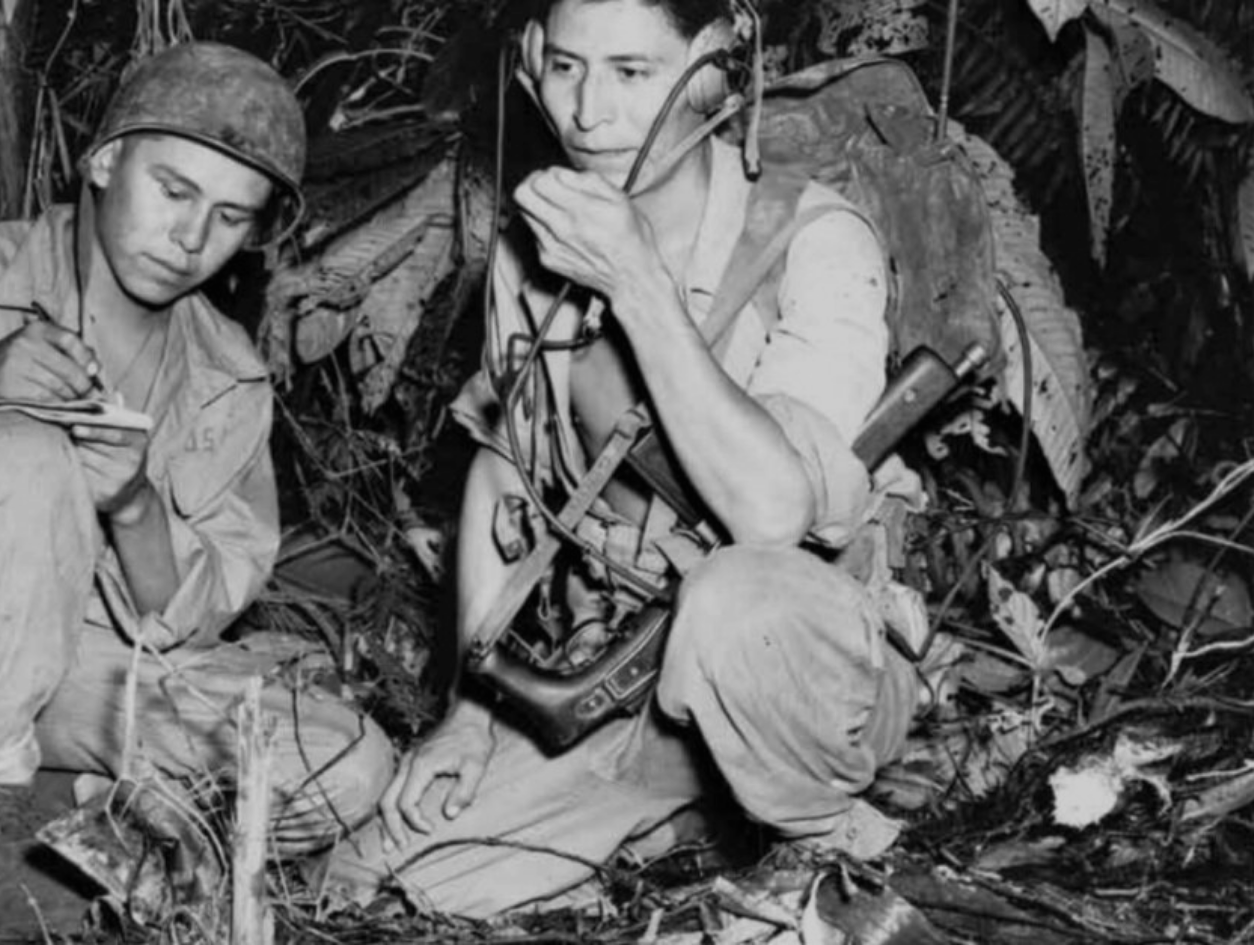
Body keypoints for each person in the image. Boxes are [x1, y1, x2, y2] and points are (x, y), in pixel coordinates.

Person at [0, 42, 392, 935]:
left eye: (228, 217)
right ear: (104, 161)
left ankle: (87, 802)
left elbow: (194, 620)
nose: (190, 239)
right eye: (172, 191)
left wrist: (134, 505)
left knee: (347, 761)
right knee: (25, 451)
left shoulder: (228, 375)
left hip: (72, 680)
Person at [322, 0, 920, 918]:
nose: (588, 112)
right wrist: (472, 713)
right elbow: (503, 469)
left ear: (713, 61)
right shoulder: (535, 251)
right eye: (566, 68)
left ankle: (823, 847)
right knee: (389, 878)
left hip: (802, 675)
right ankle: (687, 818)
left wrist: (636, 281)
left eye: (632, 73)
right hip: (628, 672)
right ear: (532, 59)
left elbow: (773, 515)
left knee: (735, 600)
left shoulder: (812, 241)